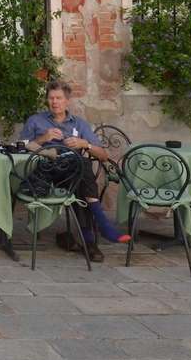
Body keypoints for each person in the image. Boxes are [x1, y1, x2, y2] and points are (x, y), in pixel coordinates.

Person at [19, 80, 129, 261]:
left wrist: (84, 144)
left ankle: (90, 242)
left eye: (59, 98)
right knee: (82, 169)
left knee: (80, 172)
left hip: (72, 173)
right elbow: (20, 147)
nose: (55, 102)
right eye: (51, 98)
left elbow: (103, 155)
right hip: (46, 173)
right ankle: (101, 227)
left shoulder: (80, 124)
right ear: (47, 100)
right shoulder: (36, 121)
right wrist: (42, 138)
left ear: (67, 100)